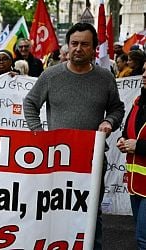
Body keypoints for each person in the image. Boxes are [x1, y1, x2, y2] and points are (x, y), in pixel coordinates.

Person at [23, 22, 125, 250]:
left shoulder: (105, 78)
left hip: (92, 160)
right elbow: (30, 103)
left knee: (91, 214)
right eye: (74, 43)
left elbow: (117, 108)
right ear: (67, 46)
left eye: (84, 44)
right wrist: (38, 133)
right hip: (56, 161)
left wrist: (109, 121)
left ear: (94, 48)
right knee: (55, 212)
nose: (78, 48)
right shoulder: (51, 76)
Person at [116, 61, 146, 250]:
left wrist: (139, 146)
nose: (144, 75)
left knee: (143, 239)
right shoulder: (137, 102)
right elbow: (129, 132)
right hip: (137, 184)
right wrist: (123, 141)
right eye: (144, 71)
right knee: (141, 236)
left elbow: (138, 143)